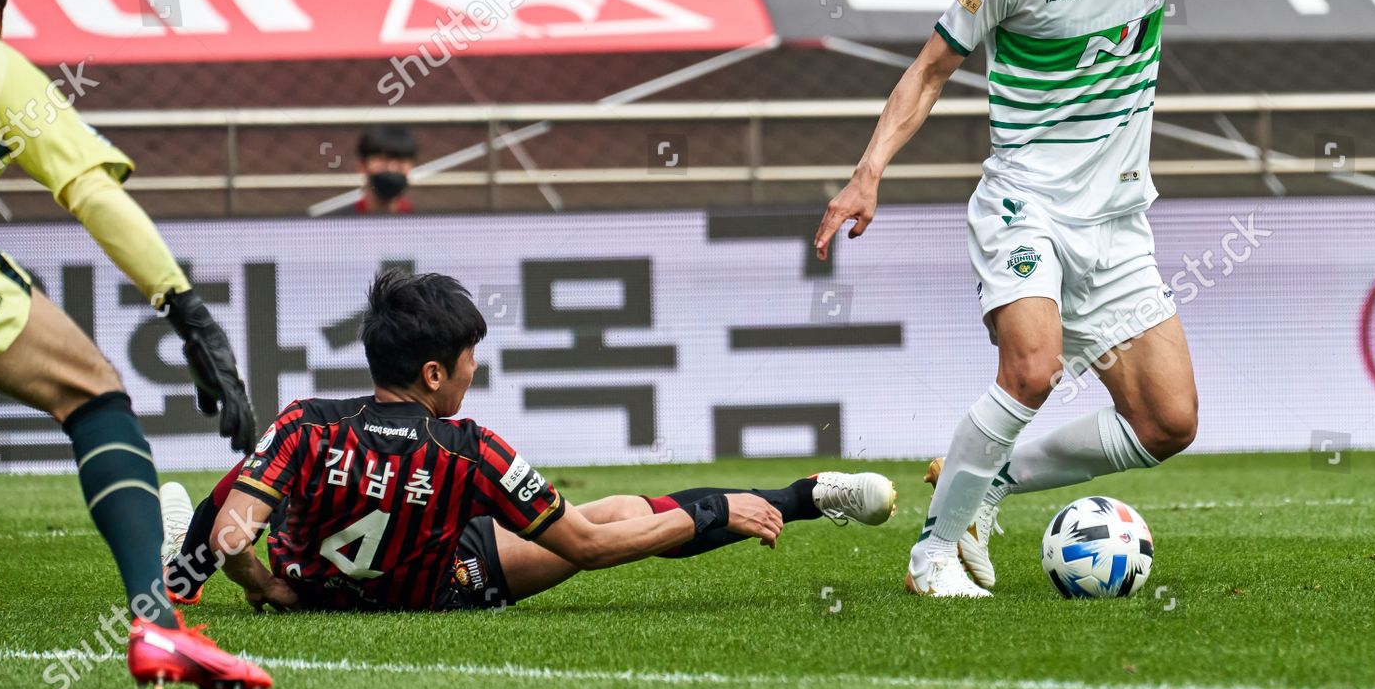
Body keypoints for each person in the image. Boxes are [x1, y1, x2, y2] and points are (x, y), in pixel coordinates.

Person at [812, 0, 1375, 598]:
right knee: (1029, 371)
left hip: (1118, 222)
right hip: (1025, 203)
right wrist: (868, 172)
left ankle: (989, 483)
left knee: (1169, 423)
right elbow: (930, 71)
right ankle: (934, 555)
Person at [159, 270, 897, 613]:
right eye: (471, 356)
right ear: (432, 371)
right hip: (446, 583)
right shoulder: (468, 449)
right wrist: (715, 513)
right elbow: (588, 549)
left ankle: (178, 576)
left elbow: (232, 529)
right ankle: (803, 497)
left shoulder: (306, 422)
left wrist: (264, 587)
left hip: (333, 574)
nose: (476, 369)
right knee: (608, 515)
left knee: (238, 489)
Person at [0, 0, 271, 689]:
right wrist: (187, 311)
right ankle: (156, 621)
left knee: (85, 382)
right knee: (94, 393)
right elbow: (93, 193)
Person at [333, 125, 417, 215]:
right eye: (384, 160)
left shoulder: (420, 222)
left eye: (401, 161)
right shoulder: (339, 223)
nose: (392, 168)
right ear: (362, 165)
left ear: (412, 166)